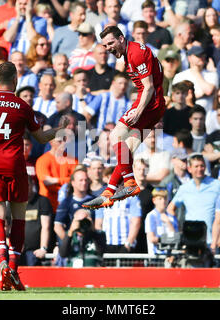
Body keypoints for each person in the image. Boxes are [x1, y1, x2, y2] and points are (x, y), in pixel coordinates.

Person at [0, 61, 69, 291]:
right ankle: (12, 268)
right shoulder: (21, 106)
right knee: (19, 218)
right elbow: (42, 138)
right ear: (15, 80)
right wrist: (60, 129)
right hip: (14, 164)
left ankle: (2, 263)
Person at [83, 25, 165, 209]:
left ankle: (130, 183)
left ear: (121, 38)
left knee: (114, 136)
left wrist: (138, 110)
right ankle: (108, 192)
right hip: (154, 104)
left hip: (150, 103)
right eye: (105, 45)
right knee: (126, 152)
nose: (109, 48)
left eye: (111, 43)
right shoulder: (129, 53)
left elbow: (149, 86)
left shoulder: (135, 53)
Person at [167, 153, 220, 244]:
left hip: (212, 240)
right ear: (189, 169)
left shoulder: (218, 185)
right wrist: (178, 230)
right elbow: (170, 209)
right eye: (196, 166)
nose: (199, 169)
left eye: (202, 166)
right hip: (191, 240)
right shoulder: (184, 188)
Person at [172, 45, 218, 112]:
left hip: (206, 114)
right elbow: (175, 97)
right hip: (184, 112)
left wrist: (196, 73)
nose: (201, 57)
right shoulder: (180, 76)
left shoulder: (212, 74)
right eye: (198, 56)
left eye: (203, 55)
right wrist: (200, 95)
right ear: (189, 58)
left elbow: (208, 91)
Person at [21, 176, 53, 266]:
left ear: (32, 185)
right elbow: (6, 227)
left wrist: (43, 248)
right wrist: (12, 245)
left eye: (27, 185)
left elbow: (46, 227)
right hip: (17, 250)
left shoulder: (42, 201)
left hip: (35, 252)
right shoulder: (14, 204)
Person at [145, 188, 179, 255]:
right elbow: (151, 238)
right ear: (154, 200)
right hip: (156, 257)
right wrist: (169, 239)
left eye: (165, 198)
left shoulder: (172, 216)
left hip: (171, 257)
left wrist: (169, 223)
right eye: (160, 199)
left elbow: (177, 238)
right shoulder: (151, 216)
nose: (163, 201)